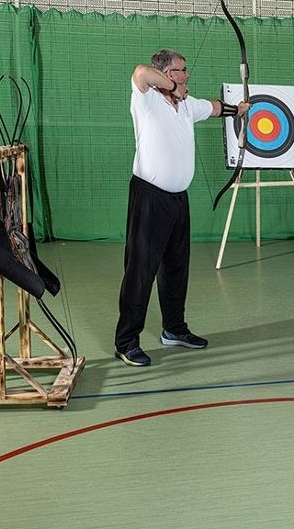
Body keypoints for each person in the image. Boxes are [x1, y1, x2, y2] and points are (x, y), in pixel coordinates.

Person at [114, 49, 250, 367]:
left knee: (176, 268)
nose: (187, 76)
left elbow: (215, 108)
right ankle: (125, 342)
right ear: (168, 74)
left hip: (178, 200)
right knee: (140, 270)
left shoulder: (187, 105)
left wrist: (238, 109)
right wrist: (172, 88)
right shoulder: (147, 99)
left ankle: (174, 329)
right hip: (149, 198)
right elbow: (139, 71)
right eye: (181, 71)